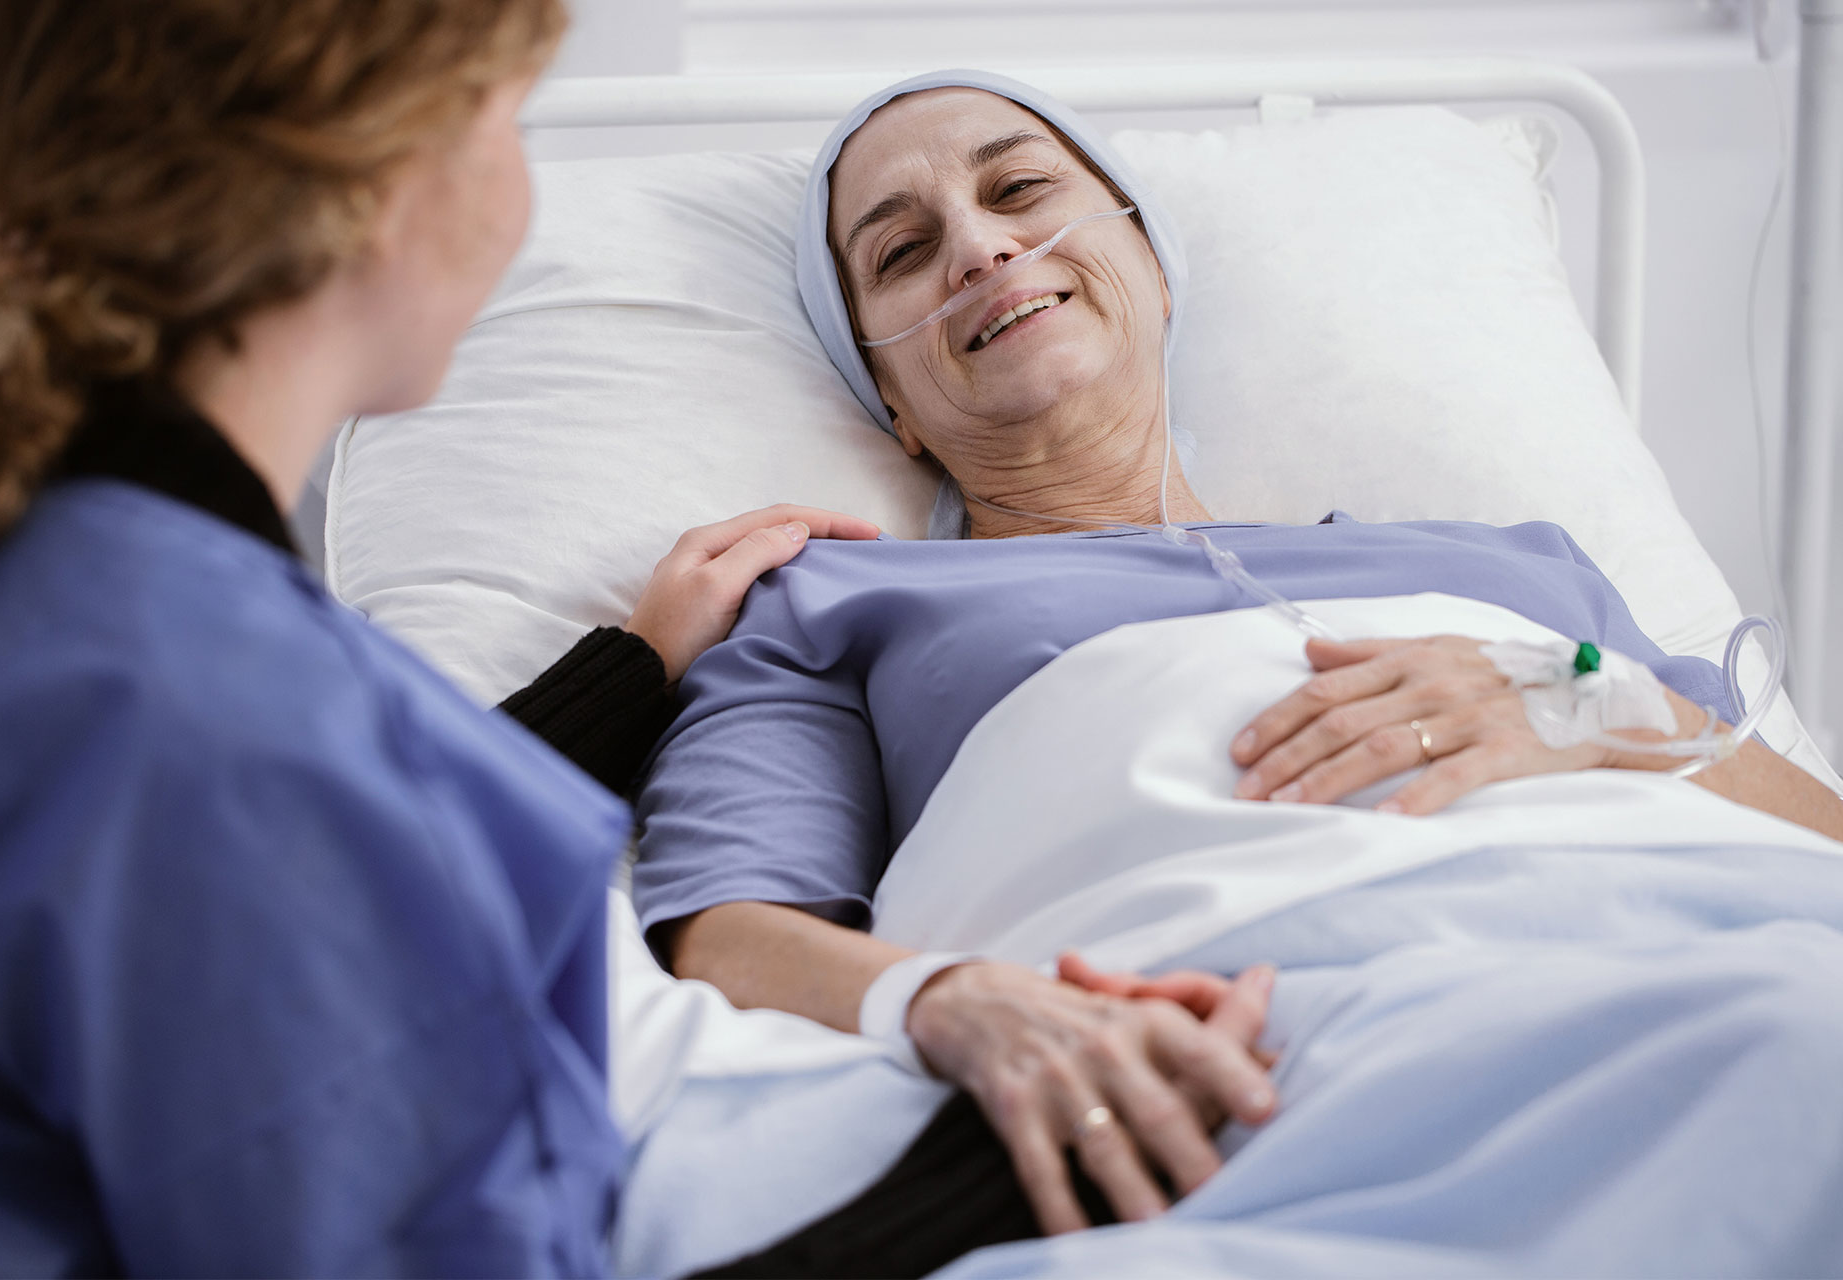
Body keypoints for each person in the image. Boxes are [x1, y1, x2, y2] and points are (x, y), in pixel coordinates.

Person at [630, 70, 1843, 1251]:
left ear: (1152, 264)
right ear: (888, 397)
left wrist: (1596, 707)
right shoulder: (829, 602)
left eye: (1022, 190)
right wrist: (962, 1002)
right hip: (1253, 1028)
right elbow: (723, 938)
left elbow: (1817, 836)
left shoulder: (1520, 565)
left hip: (1710, 927)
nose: (981, 248)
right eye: (901, 253)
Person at [0, 2, 880, 1273]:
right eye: (506, 117)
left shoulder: (52, 584)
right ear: (382, 178)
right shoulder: (230, 719)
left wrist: (634, 666)